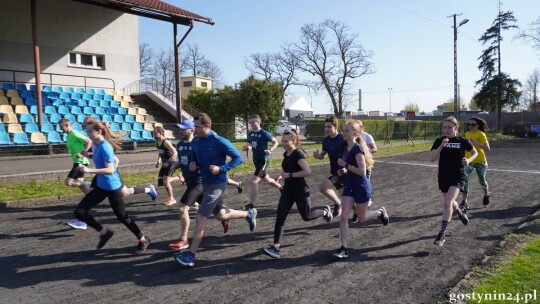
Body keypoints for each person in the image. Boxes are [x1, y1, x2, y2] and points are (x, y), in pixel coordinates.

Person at [175, 113, 257, 267]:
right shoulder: (197, 141)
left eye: (197, 127)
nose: (195, 129)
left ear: (207, 126)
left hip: (217, 184)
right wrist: (193, 162)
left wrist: (221, 168)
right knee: (220, 215)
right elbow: (194, 153)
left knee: (200, 218)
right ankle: (248, 213)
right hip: (205, 183)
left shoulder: (219, 141)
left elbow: (238, 158)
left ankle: (191, 255)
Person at [73, 120, 150, 252]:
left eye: (90, 131)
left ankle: (143, 238)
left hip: (112, 186)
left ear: (99, 131)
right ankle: (104, 232)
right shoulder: (97, 145)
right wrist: (89, 155)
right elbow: (101, 159)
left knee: (122, 217)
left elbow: (110, 169)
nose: (88, 133)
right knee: (79, 212)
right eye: (87, 131)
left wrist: (88, 170)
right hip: (101, 186)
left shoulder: (105, 146)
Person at [262, 130, 333, 259]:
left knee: (307, 217)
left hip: (301, 191)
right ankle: (275, 247)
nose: (283, 143)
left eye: (285, 141)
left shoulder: (298, 154)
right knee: (280, 218)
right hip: (288, 191)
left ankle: (324, 211)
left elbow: (307, 171)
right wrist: (281, 175)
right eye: (282, 140)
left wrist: (289, 175)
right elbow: (287, 168)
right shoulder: (286, 154)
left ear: (293, 141)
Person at [333, 120, 389, 259]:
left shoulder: (358, 149)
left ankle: (380, 212)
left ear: (355, 133)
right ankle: (343, 248)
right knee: (345, 216)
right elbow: (349, 169)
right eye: (343, 130)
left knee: (362, 218)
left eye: (346, 130)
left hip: (361, 186)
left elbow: (362, 172)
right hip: (349, 185)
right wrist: (342, 171)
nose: (343, 133)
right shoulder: (345, 148)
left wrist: (345, 165)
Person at [81, 116, 157, 201]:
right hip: (103, 172)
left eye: (86, 125)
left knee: (125, 193)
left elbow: (116, 160)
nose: (85, 127)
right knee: (122, 192)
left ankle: (149, 190)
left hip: (109, 172)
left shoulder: (101, 142)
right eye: (84, 126)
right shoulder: (94, 141)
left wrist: (112, 171)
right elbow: (98, 156)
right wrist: (87, 154)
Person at [429, 116, 477, 246]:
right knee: (451, 203)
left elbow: (475, 152)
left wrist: (468, 160)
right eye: (444, 127)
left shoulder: (462, 140)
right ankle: (460, 211)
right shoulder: (439, 140)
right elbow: (432, 158)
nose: (446, 130)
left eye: (449, 127)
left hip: (458, 176)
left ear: (456, 127)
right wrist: (441, 147)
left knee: (447, 202)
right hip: (443, 176)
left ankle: (442, 233)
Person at [241, 114, 282, 210]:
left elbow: (275, 142)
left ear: (258, 122)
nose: (251, 123)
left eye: (253, 121)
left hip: (264, 159)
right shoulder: (250, 134)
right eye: (250, 122)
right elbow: (250, 144)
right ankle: (281, 188)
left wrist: (270, 150)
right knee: (267, 180)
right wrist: (247, 147)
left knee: (254, 181)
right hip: (256, 159)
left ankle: (251, 205)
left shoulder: (264, 133)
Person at [59, 118, 92, 230]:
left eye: (62, 127)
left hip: (80, 162)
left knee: (68, 182)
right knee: (81, 185)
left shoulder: (75, 133)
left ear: (67, 125)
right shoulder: (68, 136)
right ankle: (92, 196)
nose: (60, 129)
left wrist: (83, 153)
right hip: (76, 161)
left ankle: (94, 186)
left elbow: (88, 141)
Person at [312, 116, 346, 218]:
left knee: (324, 187)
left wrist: (347, 167)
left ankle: (341, 205)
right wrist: (318, 156)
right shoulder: (326, 140)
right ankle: (340, 205)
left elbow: (351, 153)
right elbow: (323, 155)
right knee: (345, 198)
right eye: (325, 127)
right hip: (335, 171)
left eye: (329, 127)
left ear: (335, 126)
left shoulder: (343, 138)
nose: (326, 129)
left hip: (344, 171)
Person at [461, 116, 491, 211]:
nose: (470, 126)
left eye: (473, 124)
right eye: (468, 124)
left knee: (482, 180)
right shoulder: (466, 133)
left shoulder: (481, 134)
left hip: (481, 161)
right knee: (464, 179)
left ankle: (486, 194)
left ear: (478, 125)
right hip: (469, 161)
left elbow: (487, 148)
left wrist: (475, 142)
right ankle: (464, 201)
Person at [350, 120, 378, 223]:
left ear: (363, 127)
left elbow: (374, 148)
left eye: (360, 126)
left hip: (365, 166)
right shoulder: (351, 137)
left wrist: (364, 153)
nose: (359, 127)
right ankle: (359, 209)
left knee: (361, 187)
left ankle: (359, 212)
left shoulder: (367, 136)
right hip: (352, 166)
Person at [153, 126, 178, 206]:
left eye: (155, 133)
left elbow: (175, 152)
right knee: (162, 182)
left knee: (165, 182)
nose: (154, 134)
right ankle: (178, 178)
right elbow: (160, 152)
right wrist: (158, 161)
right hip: (164, 164)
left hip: (171, 163)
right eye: (153, 133)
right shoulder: (157, 142)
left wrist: (168, 162)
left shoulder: (166, 142)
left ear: (161, 133)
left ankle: (172, 198)